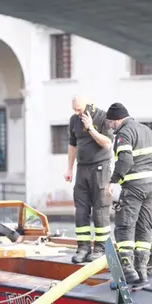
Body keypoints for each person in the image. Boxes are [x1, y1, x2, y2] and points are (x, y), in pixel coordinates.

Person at [104, 103, 152, 285]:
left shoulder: (124, 134)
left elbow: (126, 159)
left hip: (134, 187)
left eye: (111, 122)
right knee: (144, 227)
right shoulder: (147, 131)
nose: (110, 126)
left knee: (125, 227)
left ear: (118, 119)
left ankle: (128, 272)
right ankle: (142, 273)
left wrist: (113, 180)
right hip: (151, 186)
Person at [64, 95, 114, 264]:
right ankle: (83, 247)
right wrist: (69, 168)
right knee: (81, 210)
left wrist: (91, 128)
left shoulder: (103, 117)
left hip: (101, 168)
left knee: (100, 209)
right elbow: (72, 145)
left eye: (79, 109)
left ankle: (100, 248)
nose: (77, 113)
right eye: (74, 109)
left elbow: (107, 143)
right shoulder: (74, 120)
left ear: (88, 106)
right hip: (82, 168)